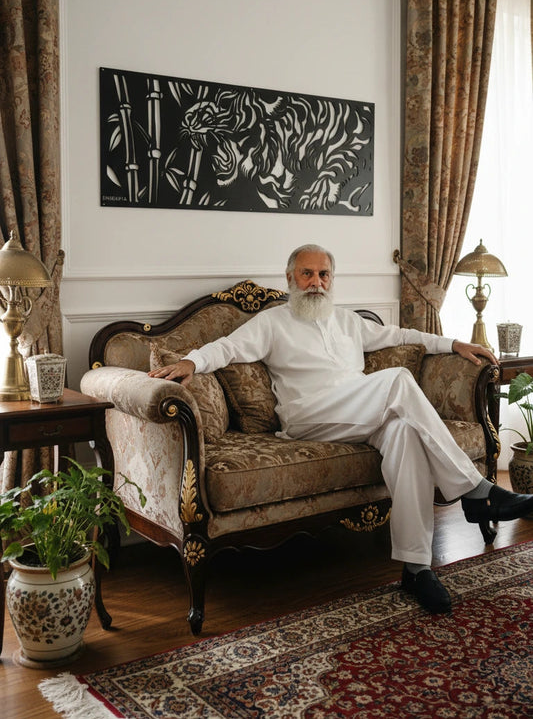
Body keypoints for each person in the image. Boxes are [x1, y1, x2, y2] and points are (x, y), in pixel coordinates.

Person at [149, 244, 533, 613]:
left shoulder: (349, 321)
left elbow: (402, 336)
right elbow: (226, 348)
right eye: (307, 273)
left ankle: (417, 569)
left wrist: (453, 343)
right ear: (290, 278)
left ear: (332, 280)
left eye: (324, 274)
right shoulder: (270, 323)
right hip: (309, 417)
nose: (316, 281)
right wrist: (191, 362)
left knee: (406, 436)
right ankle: (475, 491)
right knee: (397, 379)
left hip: (361, 411)